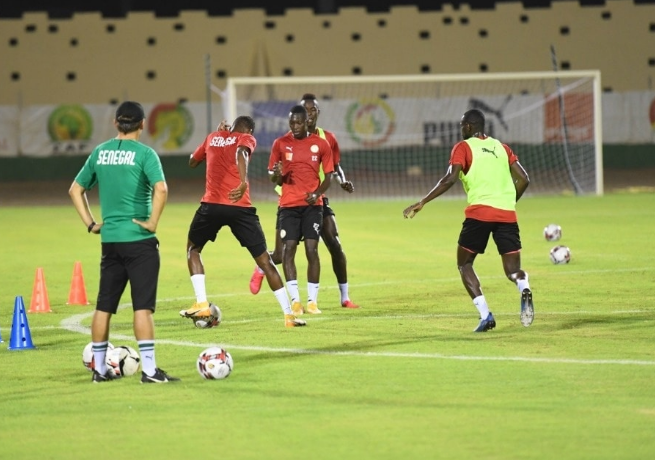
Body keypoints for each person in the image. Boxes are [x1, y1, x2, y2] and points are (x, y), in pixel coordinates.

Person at [69, 101, 179, 383]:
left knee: (104, 306)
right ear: (142, 124)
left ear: (116, 123)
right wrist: (152, 223)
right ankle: (151, 371)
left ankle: (99, 370)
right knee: (142, 306)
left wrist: (92, 224)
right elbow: (162, 189)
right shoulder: (146, 154)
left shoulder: (100, 152)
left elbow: (75, 190)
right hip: (139, 241)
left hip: (110, 241)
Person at [403, 109, 533, 332]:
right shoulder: (502, 147)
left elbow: (450, 178)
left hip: (479, 214)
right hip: (506, 214)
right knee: (513, 270)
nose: (461, 129)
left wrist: (423, 201)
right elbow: (524, 179)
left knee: (464, 263)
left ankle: (485, 315)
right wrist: (507, 201)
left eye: (463, 125)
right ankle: (524, 286)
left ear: (470, 127)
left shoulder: (463, 147)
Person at [179, 116, 306, 328]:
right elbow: (241, 153)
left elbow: (192, 161)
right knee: (265, 261)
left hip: (211, 206)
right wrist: (242, 181)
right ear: (250, 131)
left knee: (193, 249)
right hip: (240, 208)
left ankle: (201, 302)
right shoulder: (247, 138)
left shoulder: (213, 137)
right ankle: (289, 317)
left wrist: (218, 136)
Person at [249, 93, 360, 310]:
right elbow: (275, 172)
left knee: (334, 244)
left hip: (318, 198)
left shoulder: (327, 139)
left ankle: (344, 297)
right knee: (282, 254)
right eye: (304, 110)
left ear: (318, 113)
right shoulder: (285, 141)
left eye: (312, 110)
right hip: (290, 200)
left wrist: (343, 181)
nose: (308, 114)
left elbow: (335, 167)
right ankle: (262, 267)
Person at [266, 104, 334, 316]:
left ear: (307, 123)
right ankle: (296, 301)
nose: (294, 126)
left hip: (313, 206)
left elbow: (328, 177)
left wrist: (316, 194)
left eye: (298, 122)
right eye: (291, 123)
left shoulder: (321, 144)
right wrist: (277, 174)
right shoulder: (280, 143)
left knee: (312, 250)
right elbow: (273, 177)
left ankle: (312, 302)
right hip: (288, 206)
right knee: (289, 250)